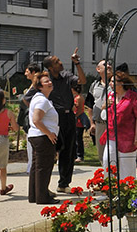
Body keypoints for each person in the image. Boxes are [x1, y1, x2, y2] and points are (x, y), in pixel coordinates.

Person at [43, 49, 86, 193]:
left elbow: (82, 81)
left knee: (68, 151)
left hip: (68, 117)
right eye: (56, 62)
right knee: (50, 151)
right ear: (50, 67)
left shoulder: (66, 76)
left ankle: (64, 183)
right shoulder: (46, 80)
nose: (60, 63)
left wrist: (77, 64)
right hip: (54, 117)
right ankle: (44, 186)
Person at [101, 71, 137, 179]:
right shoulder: (111, 96)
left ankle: (127, 190)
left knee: (126, 165)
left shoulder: (133, 97)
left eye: (114, 81)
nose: (111, 84)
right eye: (110, 81)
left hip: (127, 136)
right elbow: (104, 111)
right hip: (112, 134)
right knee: (107, 161)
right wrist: (105, 105)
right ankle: (109, 189)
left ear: (122, 83)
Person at [27, 72, 59, 204]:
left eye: (49, 80)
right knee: (44, 168)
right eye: (46, 82)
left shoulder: (39, 98)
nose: (49, 82)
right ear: (40, 86)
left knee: (37, 167)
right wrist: (49, 133)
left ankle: (34, 195)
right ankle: (42, 197)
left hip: (36, 136)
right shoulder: (42, 100)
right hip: (42, 137)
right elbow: (36, 120)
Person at [87, 59, 111, 166]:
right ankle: (105, 173)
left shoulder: (116, 84)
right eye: (106, 65)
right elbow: (90, 106)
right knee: (101, 151)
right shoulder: (94, 85)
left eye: (110, 64)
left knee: (113, 151)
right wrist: (92, 123)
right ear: (98, 69)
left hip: (113, 123)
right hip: (100, 124)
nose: (109, 66)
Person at [18, 62, 41, 172]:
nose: (25, 73)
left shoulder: (36, 85)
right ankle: (31, 165)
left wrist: (29, 107)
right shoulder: (33, 85)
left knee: (32, 144)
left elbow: (25, 99)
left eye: (27, 71)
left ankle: (32, 166)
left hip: (35, 119)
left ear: (33, 72)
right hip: (31, 118)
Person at [72, 82, 89, 161]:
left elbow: (79, 110)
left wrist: (73, 117)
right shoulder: (77, 97)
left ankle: (80, 155)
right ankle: (75, 154)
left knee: (78, 139)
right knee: (75, 138)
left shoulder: (79, 98)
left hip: (78, 121)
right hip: (76, 120)